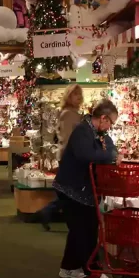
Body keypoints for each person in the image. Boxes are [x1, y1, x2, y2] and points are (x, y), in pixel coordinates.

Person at [54, 99, 119, 278]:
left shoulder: (95, 132)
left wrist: (111, 153)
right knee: (86, 230)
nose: (110, 127)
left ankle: (69, 267)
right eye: (111, 122)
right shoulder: (83, 131)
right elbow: (87, 155)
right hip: (72, 189)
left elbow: (109, 146)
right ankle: (92, 271)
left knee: (79, 230)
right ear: (103, 118)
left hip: (81, 189)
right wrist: (112, 156)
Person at [41, 84, 85, 230]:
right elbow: (66, 138)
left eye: (80, 94)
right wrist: (70, 159)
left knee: (67, 191)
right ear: (68, 96)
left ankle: (49, 212)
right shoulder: (68, 114)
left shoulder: (73, 112)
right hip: (69, 156)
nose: (78, 97)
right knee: (68, 191)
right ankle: (49, 211)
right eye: (75, 94)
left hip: (70, 156)